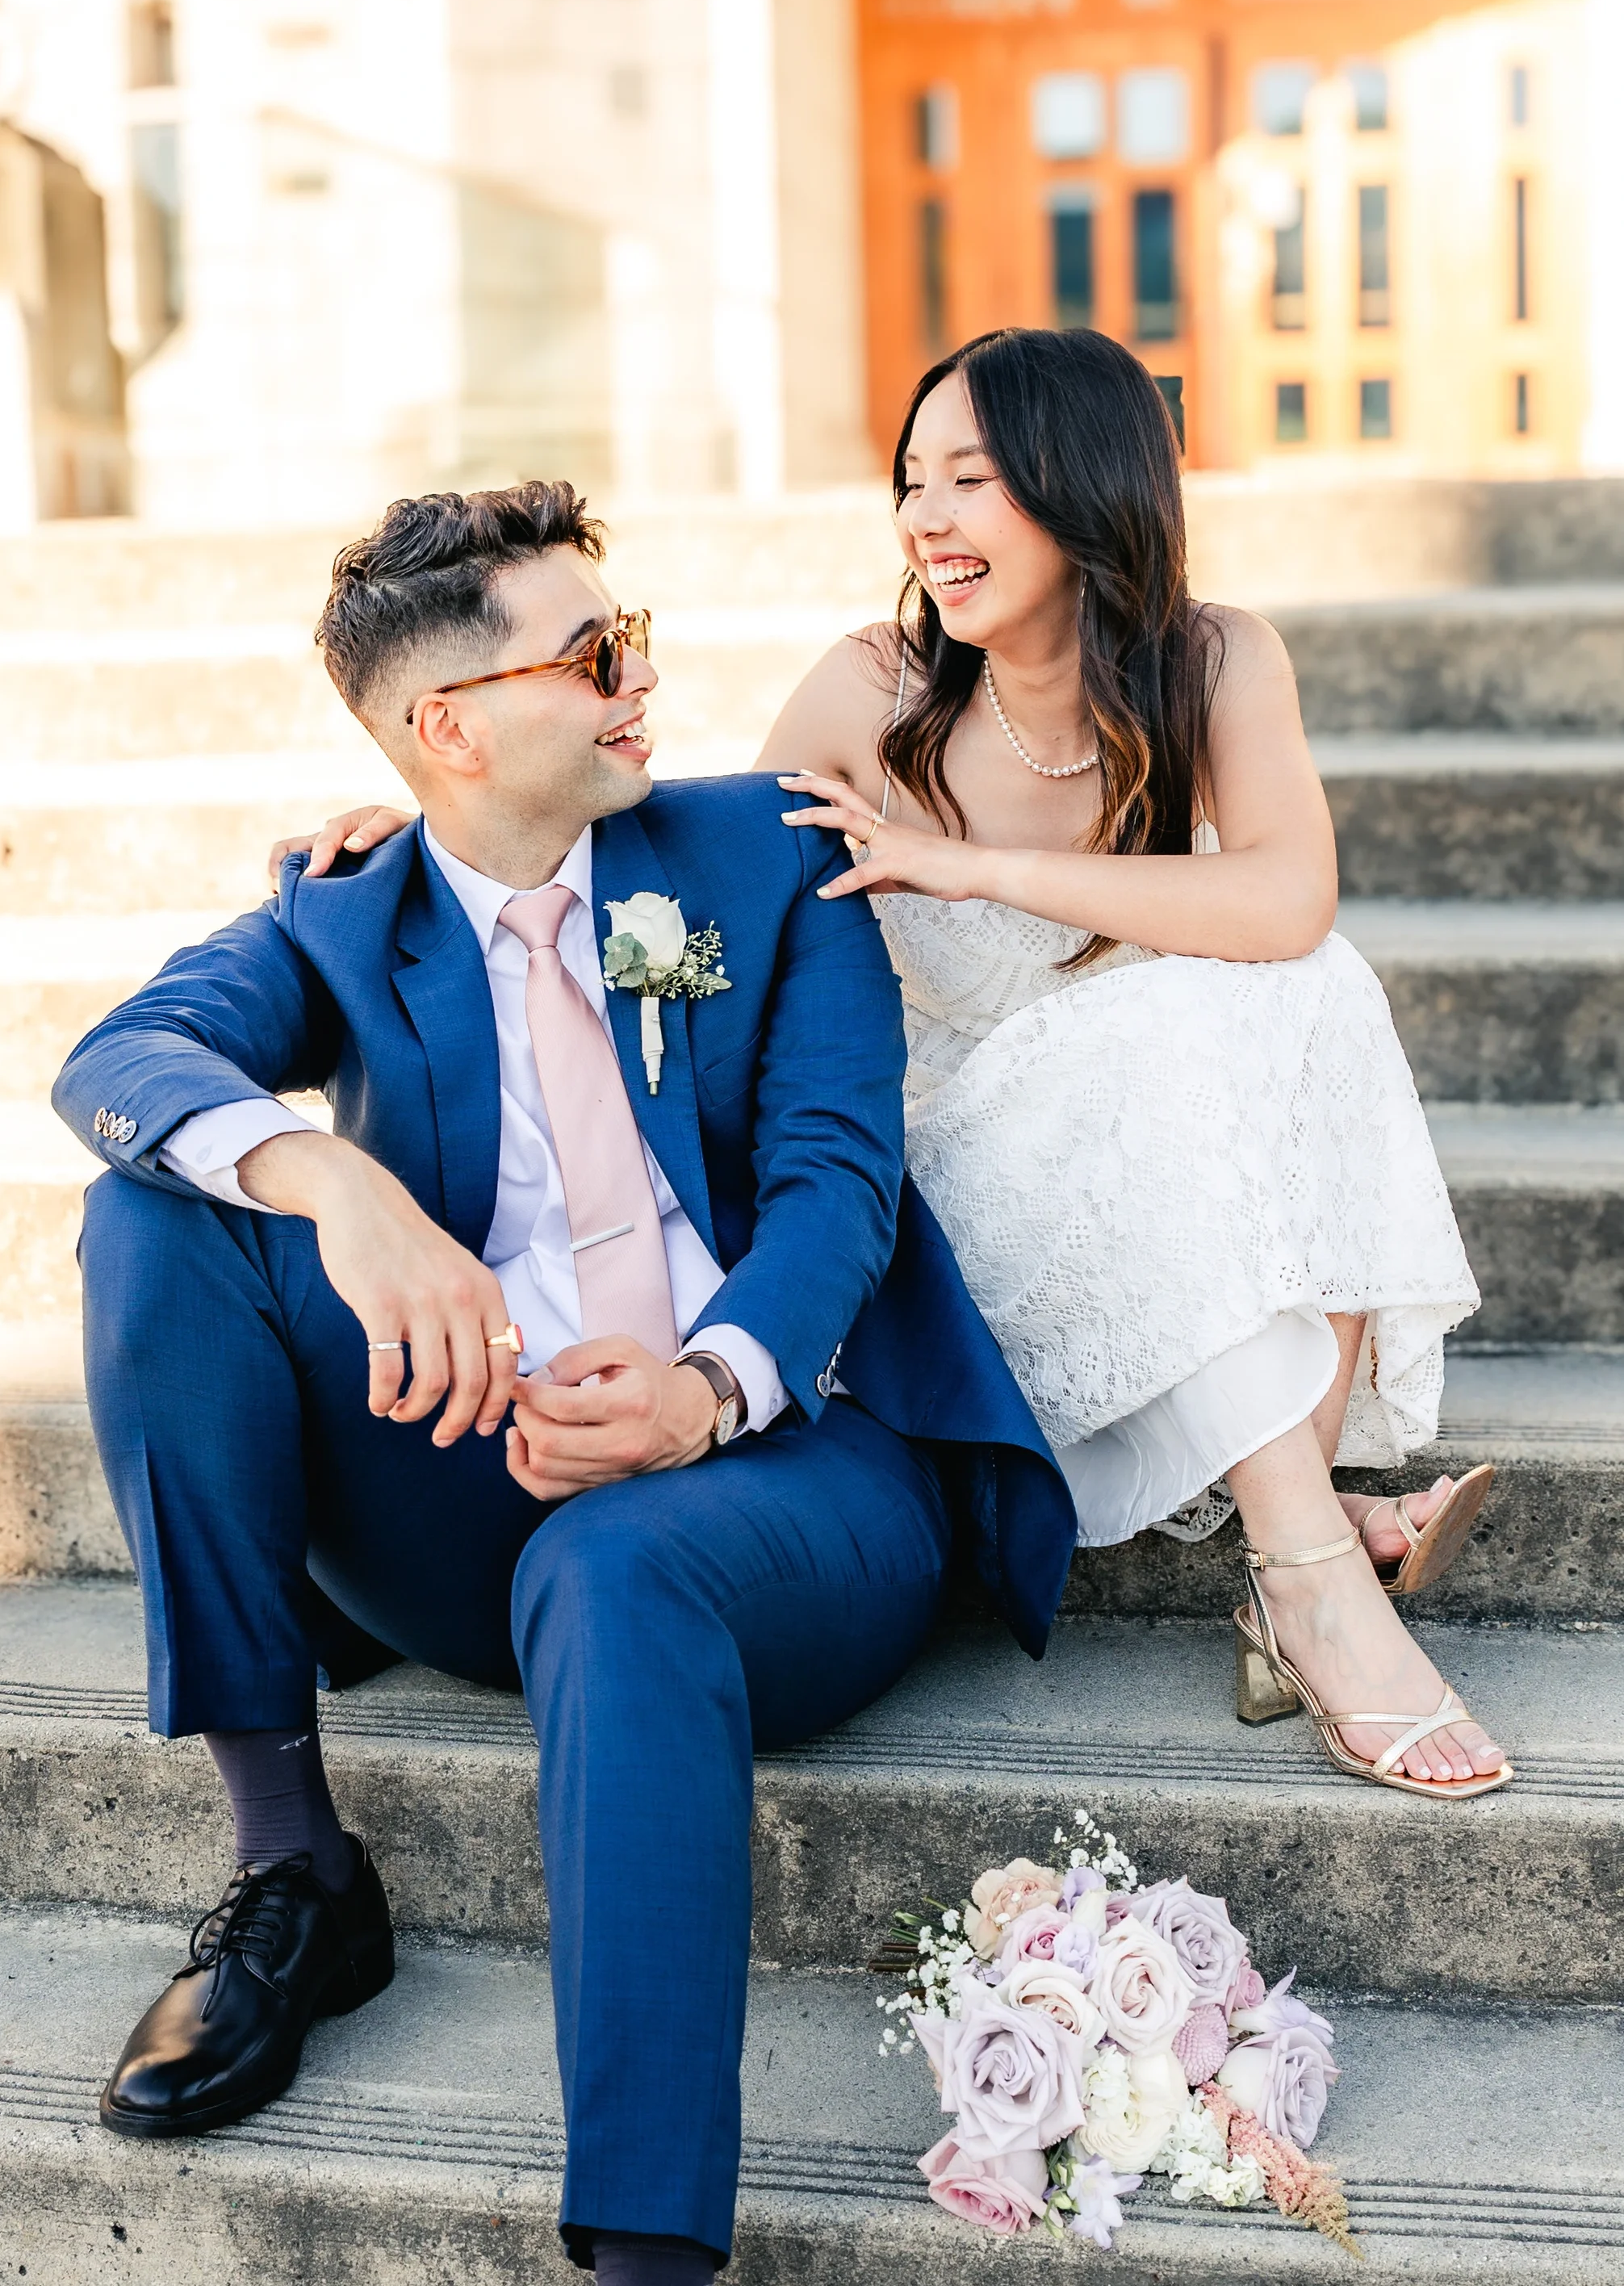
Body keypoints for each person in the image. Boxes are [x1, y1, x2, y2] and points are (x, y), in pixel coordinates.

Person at [54, 479, 1073, 2286]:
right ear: (448, 726)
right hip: (468, 1483)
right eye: (594, 657)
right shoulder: (343, 909)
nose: (645, 684)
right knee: (153, 1222)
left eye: (636, 639)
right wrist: (336, 1183)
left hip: (784, 1486)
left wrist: (701, 1396)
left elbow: (831, 1192)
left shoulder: (758, 861)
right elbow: (121, 1054)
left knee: (616, 1566)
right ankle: (294, 1870)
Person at [287, 333, 1506, 1802]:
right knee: (1202, 1021)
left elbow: (1283, 903)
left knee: (1304, 990)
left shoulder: (1217, 657)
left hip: (1166, 1142)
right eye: (909, 482)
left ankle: (1295, 1555)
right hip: (949, 1164)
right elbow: (665, 852)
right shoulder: (876, 684)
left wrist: (964, 865)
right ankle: (1312, 1567)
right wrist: (435, 808)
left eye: (971, 480)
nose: (926, 520)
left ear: (1086, 485)